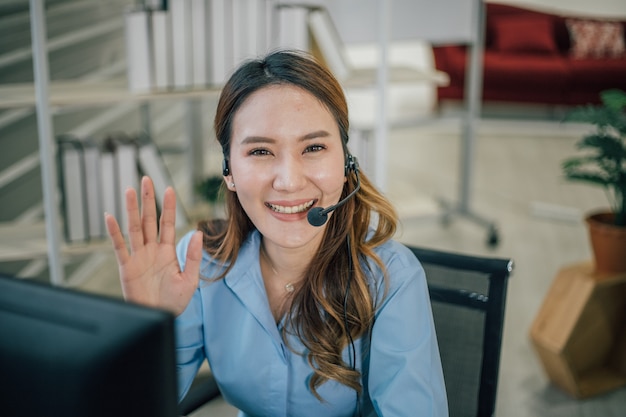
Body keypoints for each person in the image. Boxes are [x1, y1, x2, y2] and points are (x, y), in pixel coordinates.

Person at [105, 49, 448, 417]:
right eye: (260, 151)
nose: (288, 181)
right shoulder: (200, 262)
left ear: (347, 163)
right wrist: (148, 332)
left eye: (314, 147)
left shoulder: (391, 276)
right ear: (229, 171)